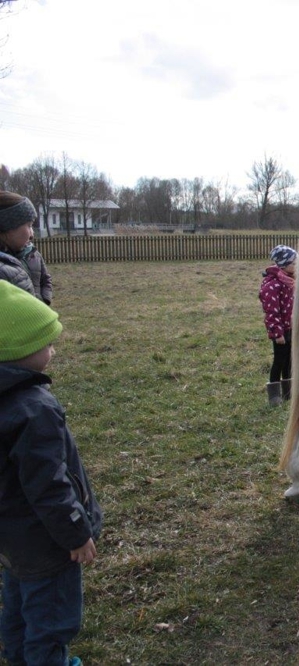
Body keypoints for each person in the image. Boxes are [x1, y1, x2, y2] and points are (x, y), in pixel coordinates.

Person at [0, 280, 103, 666]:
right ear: (17, 352)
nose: (54, 350)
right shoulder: (34, 408)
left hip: (12, 540)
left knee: (17, 609)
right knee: (52, 621)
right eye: (46, 343)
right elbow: (48, 484)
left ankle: (18, 657)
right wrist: (76, 533)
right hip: (49, 544)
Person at [259, 244, 296, 406]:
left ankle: (288, 392)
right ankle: (274, 395)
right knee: (279, 361)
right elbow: (272, 312)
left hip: (291, 328)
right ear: (283, 265)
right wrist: (277, 333)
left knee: (289, 360)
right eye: (293, 263)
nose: (296, 266)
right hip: (280, 331)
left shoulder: (289, 282)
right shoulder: (272, 286)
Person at [0, 191, 51, 302]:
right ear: (8, 227)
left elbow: (45, 279)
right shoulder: (2, 272)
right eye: (29, 226)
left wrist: (45, 301)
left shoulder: (31, 253)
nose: (32, 234)